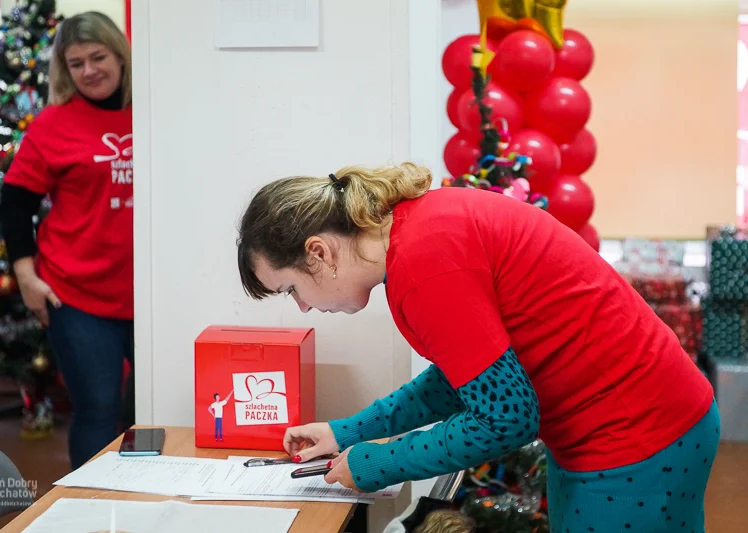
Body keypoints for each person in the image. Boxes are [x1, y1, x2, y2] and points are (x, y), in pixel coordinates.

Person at [236, 162, 720, 532]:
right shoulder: (418, 231)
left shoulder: (424, 267)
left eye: (290, 289)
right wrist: (347, 432)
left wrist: (376, 462)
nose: (300, 306)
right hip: (639, 421)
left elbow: (505, 418)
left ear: (319, 252)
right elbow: (463, 379)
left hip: (638, 434)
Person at [0, 11, 134, 470]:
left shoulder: (154, 111)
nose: (89, 70)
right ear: (64, 69)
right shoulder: (53, 124)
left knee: (150, 415)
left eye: (98, 57)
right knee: (97, 412)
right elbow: (14, 204)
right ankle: (92, 508)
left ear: (120, 55)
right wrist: (25, 276)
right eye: (76, 63)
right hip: (77, 296)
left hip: (153, 295)